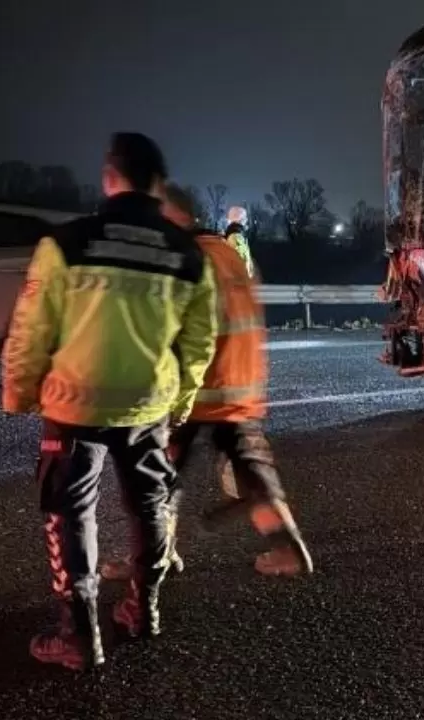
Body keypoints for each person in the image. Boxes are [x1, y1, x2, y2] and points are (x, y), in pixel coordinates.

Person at [1, 132, 219, 671]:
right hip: (148, 407)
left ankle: (78, 636)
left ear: (109, 178)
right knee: (150, 506)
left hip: (74, 405)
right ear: (157, 186)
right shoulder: (187, 254)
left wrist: (20, 392)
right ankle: (143, 613)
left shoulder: (66, 244)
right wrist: (184, 400)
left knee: (70, 513)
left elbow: (30, 331)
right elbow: (199, 341)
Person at [101, 184, 313, 582]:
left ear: (171, 216)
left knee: (157, 476)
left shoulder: (189, 259)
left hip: (200, 388)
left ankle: (153, 558)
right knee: (252, 473)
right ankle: (289, 550)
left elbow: (175, 330)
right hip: (238, 382)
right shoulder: (229, 253)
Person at [223, 205, 255, 277]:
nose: (246, 220)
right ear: (241, 219)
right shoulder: (237, 237)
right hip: (239, 281)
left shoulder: (232, 236)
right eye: (245, 218)